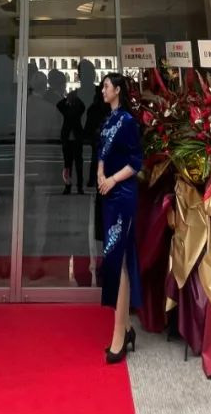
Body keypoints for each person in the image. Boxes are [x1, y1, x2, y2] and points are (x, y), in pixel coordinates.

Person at [97, 72, 143, 364]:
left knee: (120, 259)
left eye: (106, 86)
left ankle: (119, 333)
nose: (103, 90)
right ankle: (125, 327)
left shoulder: (127, 121)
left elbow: (136, 162)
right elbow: (102, 152)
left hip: (123, 193)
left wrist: (112, 179)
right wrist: (100, 173)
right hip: (107, 194)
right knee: (113, 256)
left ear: (117, 90)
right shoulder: (108, 121)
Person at [57, 87, 86, 194]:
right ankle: (72, 186)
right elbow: (59, 105)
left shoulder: (74, 108)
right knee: (70, 164)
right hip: (70, 138)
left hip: (74, 138)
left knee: (72, 164)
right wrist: (69, 99)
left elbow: (81, 107)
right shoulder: (70, 108)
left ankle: (73, 186)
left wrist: (69, 99)